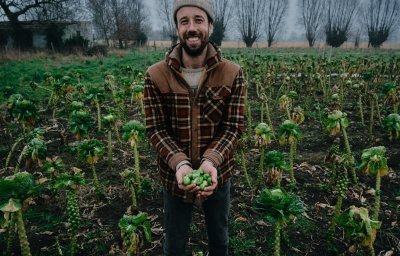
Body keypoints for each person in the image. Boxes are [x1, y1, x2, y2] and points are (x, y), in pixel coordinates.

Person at [143, 0, 246, 255]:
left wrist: (211, 161)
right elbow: (156, 128)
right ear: (177, 27)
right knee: (175, 244)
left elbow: (233, 127)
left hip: (218, 174)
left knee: (219, 240)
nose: (192, 28)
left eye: (198, 20)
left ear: (210, 25)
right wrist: (180, 163)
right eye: (184, 21)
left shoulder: (232, 73)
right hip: (174, 177)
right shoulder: (156, 75)